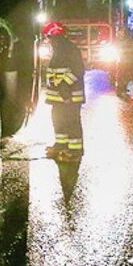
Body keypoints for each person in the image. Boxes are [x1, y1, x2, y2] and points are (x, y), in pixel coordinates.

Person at [42, 22, 85, 162]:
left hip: (69, 95)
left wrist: (65, 86)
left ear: (55, 37)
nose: (48, 41)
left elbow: (78, 70)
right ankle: (61, 145)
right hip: (59, 96)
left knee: (71, 122)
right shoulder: (59, 49)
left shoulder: (69, 49)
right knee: (59, 121)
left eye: (49, 37)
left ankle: (74, 151)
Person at [115, 28, 133, 98]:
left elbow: (117, 50)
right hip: (132, 62)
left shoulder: (121, 42)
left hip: (122, 62)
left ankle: (120, 90)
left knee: (122, 77)